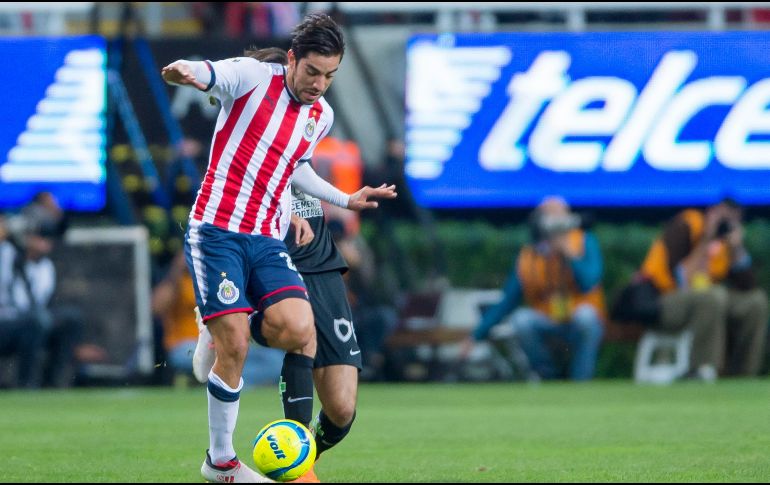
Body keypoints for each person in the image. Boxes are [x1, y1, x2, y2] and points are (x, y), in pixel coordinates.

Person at [161, 13, 395, 483]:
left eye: (330, 75)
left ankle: (225, 318)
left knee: (299, 328)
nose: (319, 84)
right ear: (292, 59)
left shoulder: (320, 115)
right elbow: (208, 72)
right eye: (312, 72)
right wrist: (183, 71)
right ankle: (221, 461)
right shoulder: (251, 78)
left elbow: (296, 168)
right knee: (236, 346)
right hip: (217, 230)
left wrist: (344, 199)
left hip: (266, 238)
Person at [460, 196, 606, 381]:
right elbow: (507, 302)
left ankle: (581, 380)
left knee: (586, 317)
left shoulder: (584, 241)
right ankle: (547, 376)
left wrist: (569, 254)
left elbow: (589, 282)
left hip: (578, 317)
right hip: (548, 319)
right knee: (521, 321)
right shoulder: (529, 255)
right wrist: (476, 335)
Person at [637, 197, 768, 379]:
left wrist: (737, 249)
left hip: (713, 301)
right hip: (666, 299)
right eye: (724, 215)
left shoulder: (727, 243)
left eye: (734, 217)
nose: (727, 222)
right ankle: (701, 369)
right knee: (712, 296)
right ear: (712, 210)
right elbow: (682, 279)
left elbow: (747, 286)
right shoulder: (688, 224)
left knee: (756, 302)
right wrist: (707, 238)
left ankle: (743, 375)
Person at [152, 250, 284, 387]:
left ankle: (222, 383)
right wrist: (176, 270)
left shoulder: (224, 277)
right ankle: (229, 383)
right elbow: (155, 308)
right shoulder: (181, 279)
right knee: (190, 357)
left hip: (225, 343)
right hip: (187, 345)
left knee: (275, 361)